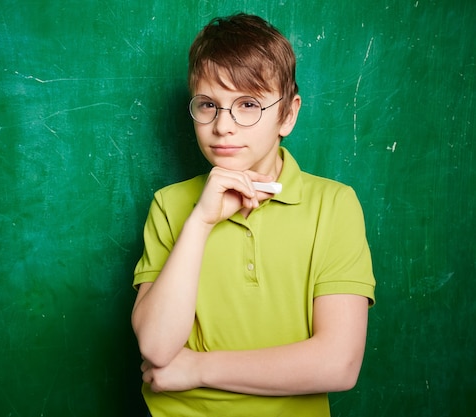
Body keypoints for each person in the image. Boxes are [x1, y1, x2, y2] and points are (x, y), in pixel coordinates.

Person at [131, 13, 376, 417]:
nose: (223, 126)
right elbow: (156, 347)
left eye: (248, 105)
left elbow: (339, 364)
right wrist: (200, 222)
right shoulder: (170, 205)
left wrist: (197, 368)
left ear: (288, 114)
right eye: (208, 105)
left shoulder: (334, 204)